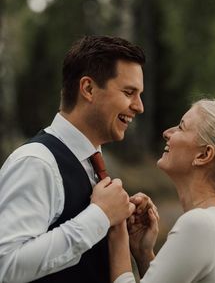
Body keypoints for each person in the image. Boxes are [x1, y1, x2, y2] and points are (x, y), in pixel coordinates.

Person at [0, 35, 149, 283]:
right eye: (129, 92)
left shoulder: (92, 162)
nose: (139, 106)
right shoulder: (37, 163)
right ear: (88, 89)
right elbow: (5, 265)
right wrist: (99, 216)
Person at [109, 98, 215, 283]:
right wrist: (144, 253)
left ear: (204, 155)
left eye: (181, 127)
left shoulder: (200, 225)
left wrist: (116, 228)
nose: (167, 133)